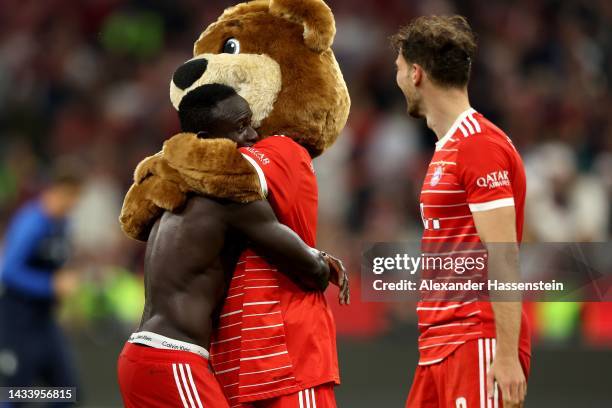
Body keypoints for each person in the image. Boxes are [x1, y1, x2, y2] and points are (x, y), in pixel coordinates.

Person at [117, 84, 348, 408]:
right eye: (240, 127)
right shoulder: (231, 196)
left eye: (251, 122)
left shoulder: (173, 194)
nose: (253, 135)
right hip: (173, 360)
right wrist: (325, 261)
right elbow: (311, 270)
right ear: (206, 138)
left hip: (140, 355)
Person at [391, 16, 531, 408]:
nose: (398, 80)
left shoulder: (478, 147)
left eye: (399, 71)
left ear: (416, 73)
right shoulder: (449, 147)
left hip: (476, 341)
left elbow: (503, 253)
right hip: (438, 344)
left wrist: (505, 356)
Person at [0, 167, 83, 406]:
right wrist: (50, 285)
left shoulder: (63, 225)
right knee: (14, 393)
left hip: (45, 322)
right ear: (61, 191)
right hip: (17, 322)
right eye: (74, 197)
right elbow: (8, 272)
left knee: (68, 391)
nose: (75, 204)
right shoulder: (32, 222)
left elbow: (57, 267)